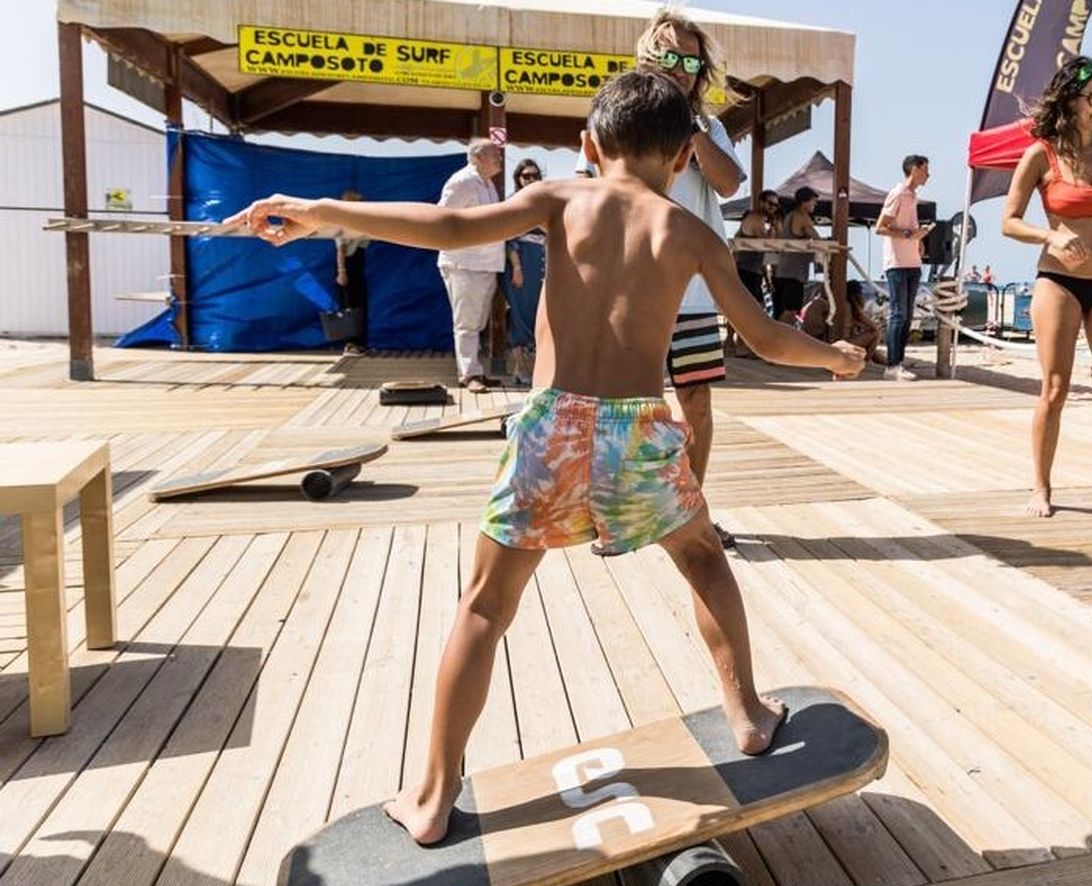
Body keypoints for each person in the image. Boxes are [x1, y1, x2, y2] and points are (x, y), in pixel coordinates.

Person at [227, 70, 866, 844]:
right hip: (637, 430)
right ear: (680, 162)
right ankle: (749, 712)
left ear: (590, 146)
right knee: (702, 559)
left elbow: (449, 230)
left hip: (551, 428)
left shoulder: (563, 198)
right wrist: (832, 357)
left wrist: (320, 212)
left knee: (485, 607)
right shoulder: (691, 232)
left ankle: (432, 795)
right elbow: (763, 338)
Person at [1000, 55, 1092, 522]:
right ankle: (1042, 486)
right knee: (1055, 388)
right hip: (1058, 281)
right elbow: (1008, 222)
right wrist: (1051, 235)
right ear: (1070, 99)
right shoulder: (1040, 154)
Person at [639, 8, 745, 549]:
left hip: (696, 296)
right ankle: (628, 512)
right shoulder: (625, 118)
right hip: (633, 293)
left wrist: (695, 124)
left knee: (697, 405)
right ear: (647, 56)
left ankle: (689, 512)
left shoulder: (711, 126)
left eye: (690, 59)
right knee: (627, 407)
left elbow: (728, 184)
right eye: (669, 55)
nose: (679, 67)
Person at [438, 138, 507, 393]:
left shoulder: (487, 183)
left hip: (486, 263)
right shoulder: (462, 182)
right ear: (477, 158)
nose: (499, 159)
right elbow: (442, 218)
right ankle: (469, 375)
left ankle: (474, 369)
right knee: (466, 323)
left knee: (477, 322)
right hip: (464, 262)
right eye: (494, 155)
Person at [875, 154, 932, 381]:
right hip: (897, 263)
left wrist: (919, 240)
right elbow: (881, 227)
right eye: (926, 169)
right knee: (898, 314)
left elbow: (908, 227)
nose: (929, 174)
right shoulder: (898, 193)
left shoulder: (912, 196)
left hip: (912, 263)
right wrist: (910, 235)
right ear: (915, 169)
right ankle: (892, 365)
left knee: (907, 316)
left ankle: (898, 363)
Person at [505, 158, 547, 387]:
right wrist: (517, 268)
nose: (531, 179)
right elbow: (509, 239)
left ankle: (537, 372)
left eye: (535, 175)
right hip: (520, 266)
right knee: (519, 318)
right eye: (526, 176)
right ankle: (520, 370)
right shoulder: (515, 202)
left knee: (538, 318)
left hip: (541, 264)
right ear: (518, 179)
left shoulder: (544, 203)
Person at [771, 187, 820, 326]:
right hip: (794, 273)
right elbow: (817, 239)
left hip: (782, 271)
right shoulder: (802, 216)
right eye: (813, 202)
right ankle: (778, 341)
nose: (815, 205)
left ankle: (775, 341)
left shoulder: (790, 215)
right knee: (790, 313)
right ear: (805, 202)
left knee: (780, 312)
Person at [800, 279, 881, 360]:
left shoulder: (825, 303)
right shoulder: (846, 306)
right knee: (874, 334)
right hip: (832, 346)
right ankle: (865, 363)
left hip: (825, 345)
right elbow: (874, 329)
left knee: (870, 343)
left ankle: (874, 362)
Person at [333, 189, 369, 356]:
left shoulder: (360, 224)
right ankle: (350, 344)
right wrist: (342, 271)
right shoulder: (342, 225)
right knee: (348, 305)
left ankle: (360, 343)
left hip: (357, 263)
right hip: (348, 264)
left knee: (359, 304)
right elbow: (340, 249)